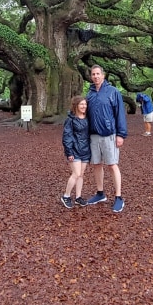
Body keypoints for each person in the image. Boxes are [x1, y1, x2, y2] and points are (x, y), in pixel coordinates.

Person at [86, 65, 128, 213]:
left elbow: (120, 113)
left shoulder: (113, 92)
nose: (96, 76)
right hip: (94, 135)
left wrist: (121, 134)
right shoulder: (89, 94)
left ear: (103, 75)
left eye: (98, 74)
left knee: (112, 164)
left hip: (109, 134)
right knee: (97, 164)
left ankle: (118, 197)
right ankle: (100, 193)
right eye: (93, 74)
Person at [61, 96, 90, 208]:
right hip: (74, 150)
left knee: (81, 175)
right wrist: (69, 152)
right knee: (76, 174)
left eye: (85, 104)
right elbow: (67, 137)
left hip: (85, 150)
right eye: (81, 104)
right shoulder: (70, 119)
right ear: (76, 105)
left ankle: (78, 197)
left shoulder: (87, 117)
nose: (84, 106)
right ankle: (66, 196)